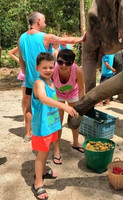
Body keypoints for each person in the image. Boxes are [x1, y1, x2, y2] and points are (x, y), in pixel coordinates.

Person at [18, 11, 85, 142]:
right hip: (43, 80)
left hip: (29, 81)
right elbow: (65, 40)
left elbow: (21, 60)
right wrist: (82, 38)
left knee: (29, 106)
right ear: (38, 21)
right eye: (44, 20)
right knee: (49, 110)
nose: (45, 23)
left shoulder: (21, 38)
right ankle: (46, 137)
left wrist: (27, 75)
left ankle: (28, 133)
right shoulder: (45, 37)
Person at [31, 52, 78, 200]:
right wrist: (64, 107)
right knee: (42, 154)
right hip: (42, 126)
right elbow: (44, 99)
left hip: (51, 124)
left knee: (47, 150)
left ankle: (44, 171)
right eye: (44, 67)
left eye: (51, 67)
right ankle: (38, 183)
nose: (48, 70)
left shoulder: (50, 82)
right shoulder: (39, 83)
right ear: (37, 68)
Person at [52, 49, 84, 164]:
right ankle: (57, 149)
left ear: (73, 63)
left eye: (68, 63)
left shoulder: (78, 71)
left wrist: (80, 107)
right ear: (57, 61)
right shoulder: (53, 69)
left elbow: (81, 89)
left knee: (74, 120)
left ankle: (76, 142)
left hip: (73, 94)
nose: (63, 66)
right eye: (60, 62)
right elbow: (48, 87)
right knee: (57, 122)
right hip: (57, 94)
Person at [9, 47, 29, 134]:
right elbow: (11, 53)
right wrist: (21, 63)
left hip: (37, 73)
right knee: (25, 97)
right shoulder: (23, 42)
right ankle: (25, 118)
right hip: (25, 75)